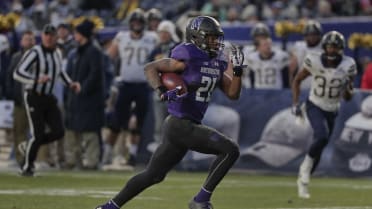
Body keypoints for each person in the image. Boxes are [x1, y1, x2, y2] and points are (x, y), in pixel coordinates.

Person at [95, 15, 243, 209]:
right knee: (230, 150)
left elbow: (233, 93)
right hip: (180, 124)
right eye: (210, 37)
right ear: (196, 37)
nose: (215, 42)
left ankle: (109, 207)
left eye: (217, 37)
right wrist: (162, 90)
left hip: (186, 125)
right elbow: (151, 68)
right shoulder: (187, 54)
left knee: (153, 175)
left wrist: (238, 71)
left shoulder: (217, 62)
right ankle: (200, 200)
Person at [291, 30, 357, 198]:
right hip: (314, 104)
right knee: (321, 137)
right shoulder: (313, 60)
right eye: (329, 47)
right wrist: (295, 103)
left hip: (333, 109)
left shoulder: (348, 64)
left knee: (320, 147)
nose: (331, 50)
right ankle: (304, 169)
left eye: (335, 47)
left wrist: (349, 90)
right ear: (324, 47)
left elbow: (348, 97)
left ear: (340, 49)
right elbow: (297, 80)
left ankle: (303, 182)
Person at [13, 23, 81, 176]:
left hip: (49, 98)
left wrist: (70, 83)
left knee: (59, 132)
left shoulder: (57, 52)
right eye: (47, 35)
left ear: (57, 37)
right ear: (42, 36)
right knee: (38, 133)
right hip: (34, 96)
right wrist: (36, 79)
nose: (49, 38)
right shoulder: (34, 52)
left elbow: (60, 72)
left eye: (52, 35)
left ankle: (29, 146)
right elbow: (18, 73)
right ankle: (27, 167)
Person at [103, 8, 158, 167]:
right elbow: (108, 58)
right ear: (129, 24)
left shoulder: (152, 38)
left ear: (144, 24)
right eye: (134, 22)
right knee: (115, 122)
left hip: (143, 85)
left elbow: (160, 57)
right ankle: (107, 153)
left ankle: (132, 155)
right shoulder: (122, 37)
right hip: (125, 85)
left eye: (139, 22)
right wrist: (111, 78)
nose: (136, 25)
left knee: (137, 124)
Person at [63, 20, 105, 170]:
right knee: (73, 130)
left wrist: (83, 87)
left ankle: (91, 161)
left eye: (77, 33)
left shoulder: (94, 51)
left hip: (89, 99)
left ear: (83, 35)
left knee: (89, 132)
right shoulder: (77, 51)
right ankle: (73, 161)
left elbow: (95, 75)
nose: (74, 36)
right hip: (76, 98)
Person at [5, 30, 35, 166]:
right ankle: (21, 159)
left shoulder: (39, 56)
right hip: (20, 100)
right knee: (19, 131)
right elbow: (9, 77)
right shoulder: (16, 57)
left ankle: (37, 159)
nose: (28, 41)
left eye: (30, 39)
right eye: (26, 39)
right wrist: (11, 93)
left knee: (37, 132)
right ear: (21, 42)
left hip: (35, 100)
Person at [289, 20, 323, 88]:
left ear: (319, 35)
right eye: (309, 35)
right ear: (305, 36)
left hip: (319, 86)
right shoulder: (299, 46)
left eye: (314, 35)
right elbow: (292, 69)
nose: (312, 38)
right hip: (302, 86)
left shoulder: (324, 48)